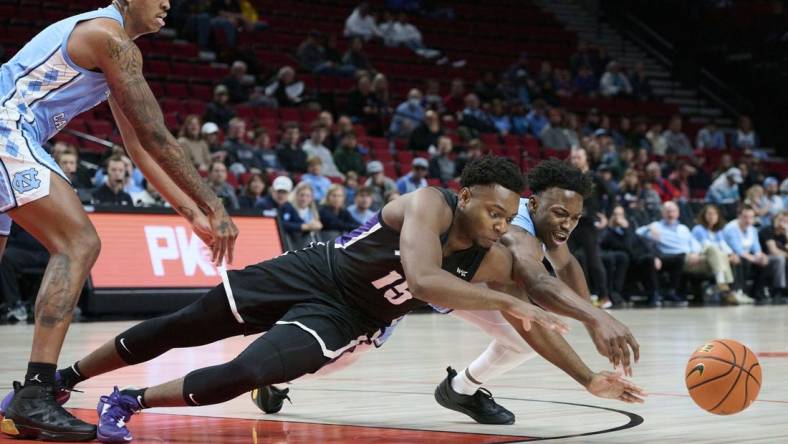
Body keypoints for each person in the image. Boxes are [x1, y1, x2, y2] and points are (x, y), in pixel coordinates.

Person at [35, 157, 641, 442]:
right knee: (182, 324)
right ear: (465, 195)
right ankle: (61, 379)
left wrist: (588, 371)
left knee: (246, 369)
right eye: (491, 209)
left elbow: (538, 292)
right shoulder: (428, 204)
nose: (498, 222)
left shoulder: (501, 252)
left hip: (351, 315)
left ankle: (127, 398)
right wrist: (524, 305)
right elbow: (426, 280)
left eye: (507, 217)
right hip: (311, 272)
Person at [0, 1, 238, 441]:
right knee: (78, 244)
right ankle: (36, 393)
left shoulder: (113, 44)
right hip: (7, 127)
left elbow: (137, 148)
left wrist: (190, 212)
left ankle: (29, 401)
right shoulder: (109, 38)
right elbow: (156, 135)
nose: (168, 3)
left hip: (13, 131)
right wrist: (214, 204)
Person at [255, 160, 644, 422]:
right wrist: (598, 318)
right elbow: (538, 281)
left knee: (527, 336)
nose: (567, 225)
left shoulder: (549, 218)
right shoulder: (515, 233)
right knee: (342, 358)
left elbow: (567, 264)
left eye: (575, 218)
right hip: (409, 279)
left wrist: (592, 316)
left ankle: (461, 389)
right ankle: (275, 378)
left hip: (468, 284)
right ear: (535, 203)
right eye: (561, 215)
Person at [601, 206, 663, 306]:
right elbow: (627, 247)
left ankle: (653, 294)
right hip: (624, 264)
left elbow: (645, 245)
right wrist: (626, 229)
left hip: (637, 261)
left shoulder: (631, 230)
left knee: (649, 259)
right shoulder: (608, 233)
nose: (618, 218)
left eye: (620, 215)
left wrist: (655, 257)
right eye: (615, 214)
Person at [690, 204, 739, 305]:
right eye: (709, 214)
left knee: (730, 256)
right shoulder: (698, 229)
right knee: (714, 249)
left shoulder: (718, 231)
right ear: (704, 216)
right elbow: (702, 245)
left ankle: (728, 288)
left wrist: (732, 254)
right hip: (702, 256)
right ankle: (722, 283)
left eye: (715, 214)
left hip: (717, 258)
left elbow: (724, 245)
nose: (712, 216)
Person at [722, 206, 772, 303]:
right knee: (743, 261)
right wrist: (754, 259)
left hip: (747, 256)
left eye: (751, 217)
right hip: (731, 256)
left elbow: (757, 248)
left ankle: (757, 292)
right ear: (739, 216)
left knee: (765, 262)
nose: (748, 220)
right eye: (745, 217)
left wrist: (761, 256)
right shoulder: (731, 228)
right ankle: (739, 291)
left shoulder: (752, 230)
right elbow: (738, 250)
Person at [759, 211, 788, 303]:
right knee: (780, 259)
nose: (782, 223)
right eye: (780, 220)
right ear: (774, 220)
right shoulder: (768, 230)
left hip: (780, 260)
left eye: (785, 221)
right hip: (764, 259)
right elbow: (773, 251)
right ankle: (779, 290)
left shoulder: (784, 234)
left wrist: (787, 234)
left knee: (782, 259)